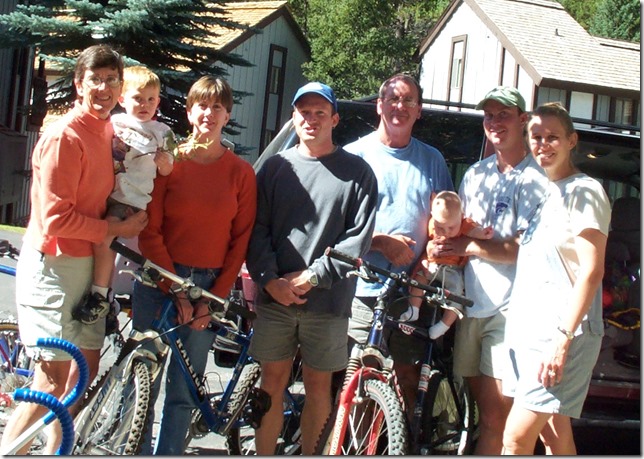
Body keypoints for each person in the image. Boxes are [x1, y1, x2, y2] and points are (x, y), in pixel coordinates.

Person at [0, 44, 148, 454]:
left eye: (112, 80)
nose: (104, 88)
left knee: (80, 375)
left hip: (88, 266)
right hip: (53, 265)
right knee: (50, 381)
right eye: (95, 79)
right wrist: (115, 229)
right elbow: (54, 219)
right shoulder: (64, 136)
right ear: (79, 84)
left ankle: (55, 452)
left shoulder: (106, 130)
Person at [246, 81, 378, 455]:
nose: (311, 119)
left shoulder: (358, 173)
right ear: (294, 117)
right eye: (304, 112)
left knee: (319, 387)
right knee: (271, 383)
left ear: (335, 119)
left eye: (320, 112)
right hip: (276, 301)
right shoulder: (275, 168)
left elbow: (358, 239)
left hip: (328, 304)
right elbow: (256, 230)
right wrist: (270, 280)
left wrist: (313, 276)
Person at [130, 75, 257, 455]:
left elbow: (240, 242)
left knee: (183, 392)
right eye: (202, 105)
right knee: (142, 382)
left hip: (207, 287)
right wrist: (175, 289)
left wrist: (211, 299)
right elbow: (149, 230)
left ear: (227, 115)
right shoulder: (169, 164)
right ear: (189, 112)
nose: (209, 113)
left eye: (217, 106)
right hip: (159, 281)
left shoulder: (241, 173)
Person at [435, 86, 548, 454]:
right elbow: (456, 231)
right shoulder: (474, 175)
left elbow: (522, 250)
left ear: (523, 120)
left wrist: (467, 247)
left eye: (504, 115)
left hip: (510, 312)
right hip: (469, 307)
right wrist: (439, 248)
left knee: (497, 419)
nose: (495, 122)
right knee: (479, 415)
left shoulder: (538, 179)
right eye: (489, 115)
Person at [502, 102, 610, 454]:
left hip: (562, 335)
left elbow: (592, 270)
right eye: (536, 137)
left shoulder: (585, 191)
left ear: (571, 141)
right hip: (531, 333)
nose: (543, 144)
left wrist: (562, 340)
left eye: (553, 137)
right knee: (554, 436)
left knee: (515, 438)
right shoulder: (549, 191)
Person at [344, 73, 454, 411]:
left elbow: (445, 222)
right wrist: (379, 242)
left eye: (408, 100)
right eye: (393, 98)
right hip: (361, 289)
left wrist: (429, 258)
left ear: (419, 110)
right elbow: (335, 227)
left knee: (408, 378)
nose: (400, 106)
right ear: (379, 105)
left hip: (413, 292)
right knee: (357, 381)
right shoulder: (353, 156)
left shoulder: (433, 160)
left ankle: (401, 436)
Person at [72, 65, 175, 326]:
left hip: (131, 199)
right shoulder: (115, 122)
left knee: (105, 238)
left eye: (151, 99)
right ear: (122, 99)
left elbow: (168, 169)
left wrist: (164, 162)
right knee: (94, 242)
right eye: (138, 98)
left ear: (158, 102)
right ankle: (102, 290)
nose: (144, 105)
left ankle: (100, 295)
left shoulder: (162, 132)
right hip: (104, 191)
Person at [402, 191, 493, 340]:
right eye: (440, 227)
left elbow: (473, 230)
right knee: (419, 278)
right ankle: (413, 309)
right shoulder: (433, 222)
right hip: (432, 264)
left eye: (451, 228)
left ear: (461, 216)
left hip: (453, 269)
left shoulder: (463, 223)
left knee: (456, 294)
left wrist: (483, 233)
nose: (446, 232)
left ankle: (444, 325)